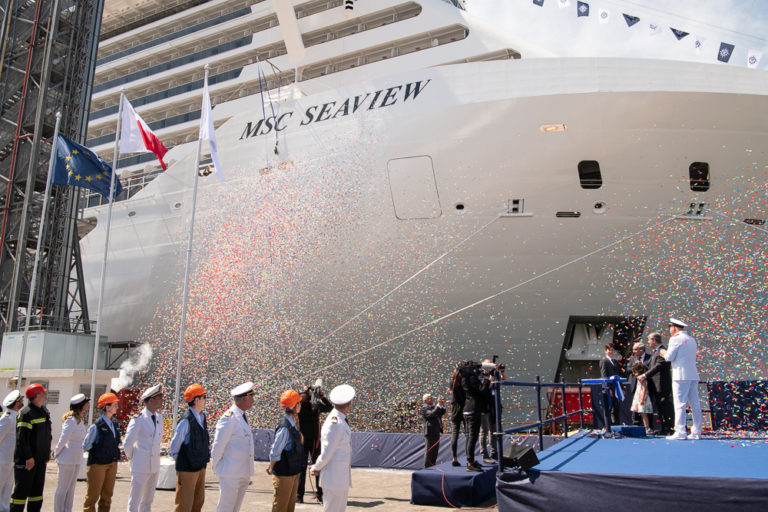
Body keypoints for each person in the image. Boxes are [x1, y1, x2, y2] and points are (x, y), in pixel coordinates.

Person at [211, 381, 255, 512]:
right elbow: (218, 445)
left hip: (242, 472)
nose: (253, 400)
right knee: (226, 508)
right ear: (245, 398)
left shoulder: (242, 416)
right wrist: (216, 466)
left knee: (235, 508)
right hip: (230, 473)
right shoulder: (228, 418)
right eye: (251, 397)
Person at [310, 384, 355, 512]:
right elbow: (327, 451)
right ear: (349, 404)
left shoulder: (339, 420)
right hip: (334, 478)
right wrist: (317, 467)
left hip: (339, 478)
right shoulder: (335, 423)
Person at [10, 383, 51, 512]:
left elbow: (47, 435)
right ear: (37, 396)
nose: (46, 394)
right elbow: (22, 438)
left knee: (36, 495)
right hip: (27, 461)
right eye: (43, 393)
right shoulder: (26, 413)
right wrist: (28, 457)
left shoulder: (44, 412)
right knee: (20, 495)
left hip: (40, 460)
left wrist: (46, 453)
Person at [169, 384, 209, 512]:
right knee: (184, 504)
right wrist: (182, 461)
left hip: (200, 466)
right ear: (196, 400)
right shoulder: (186, 420)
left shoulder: (202, 417)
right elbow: (174, 446)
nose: (205, 400)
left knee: (198, 502)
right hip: (187, 468)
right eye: (204, 397)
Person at [124, 383, 164, 512]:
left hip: (154, 464)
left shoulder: (159, 418)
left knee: (148, 501)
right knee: (135, 500)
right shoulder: (139, 419)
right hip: (141, 464)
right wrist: (134, 458)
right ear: (151, 400)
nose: (161, 400)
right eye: (159, 397)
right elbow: (128, 443)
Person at [663, 318, 703, 440]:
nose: (670, 330)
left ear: (674, 327)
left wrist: (662, 352)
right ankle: (697, 432)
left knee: (679, 403)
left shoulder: (675, 339)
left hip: (680, 375)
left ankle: (680, 431)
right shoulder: (691, 339)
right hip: (692, 374)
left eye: (670, 327)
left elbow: (669, 357)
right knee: (695, 404)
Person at [267, 390, 305, 512]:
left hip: (292, 471)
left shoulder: (292, 424)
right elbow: (276, 450)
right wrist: (271, 466)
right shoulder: (285, 427)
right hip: (284, 473)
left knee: (289, 506)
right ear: (296, 406)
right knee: (281, 506)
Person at [83, 393, 122, 512]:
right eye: (114, 404)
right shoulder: (97, 426)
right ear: (107, 407)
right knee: (93, 496)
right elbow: (86, 445)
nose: (117, 407)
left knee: (107, 496)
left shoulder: (115, 423)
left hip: (112, 463)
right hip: (97, 464)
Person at [52, 394, 89, 512]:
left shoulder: (79, 420)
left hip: (76, 458)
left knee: (71, 489)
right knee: (62, 489)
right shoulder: (71, 420)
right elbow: (63, 439)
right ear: (81, 406)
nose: (88, 405)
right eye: (86, 403)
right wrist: (55, 453)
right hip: (67, 458)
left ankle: (67, 510)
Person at [296, 384, 332, 504]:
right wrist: (305, 393)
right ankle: (299, 495)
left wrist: (321, 397)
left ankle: (320, 493)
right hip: (303, 441)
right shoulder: (299, 406)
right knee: (301, 469)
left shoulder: (314, 405)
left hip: (315, 441)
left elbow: (329, 407)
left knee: (318, 467)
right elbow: (294, 402)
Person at [639, 332, 675, 435]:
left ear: (654, 340)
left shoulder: (662, 351)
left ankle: (669, 428)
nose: (648, 343)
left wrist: (645, 375)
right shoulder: (656, 352)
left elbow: (659, 366)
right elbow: (651, 366)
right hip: (656, 385)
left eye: (649, 340)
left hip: (662, 385)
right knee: (660, 407)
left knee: (665, 407)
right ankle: (664, 428)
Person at [458, 361, 489, 472]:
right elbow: (482, 391)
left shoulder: (464, 379)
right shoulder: (471, 379)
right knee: (472, 437)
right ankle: (470, 462)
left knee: (470, 437)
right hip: (473, 410)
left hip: (468, 409)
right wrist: (486, 378)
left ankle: (470, 460)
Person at [478, 359, 506, 463]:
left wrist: (501, 371)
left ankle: (494, 452)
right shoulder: (480, 376)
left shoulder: (493, 374)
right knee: (484, 430)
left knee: (494, 430)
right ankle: (483, 452)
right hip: (485, 406)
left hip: (495, 405)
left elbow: (504, 379)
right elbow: (486, 386)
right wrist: (490, 375)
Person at [0, 391, 23, 512]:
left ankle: (4, 509)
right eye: (21, 400)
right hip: (3, 459)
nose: (23, 402)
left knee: (8, 486)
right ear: (16, 403)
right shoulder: (7, 418)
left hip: (11, 459)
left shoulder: (17, 416)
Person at [626, 342, 650, 426]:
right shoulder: (633, 358)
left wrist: (642, 366)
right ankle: (635, 424)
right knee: (635, 407)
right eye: (633, 349)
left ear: (642, 349)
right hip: (635, 386)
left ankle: (648, 426)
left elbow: (651, 369)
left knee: (645, 408)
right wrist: (634, 367)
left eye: (635, 349)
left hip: (645, 385)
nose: (634, 351)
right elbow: (627, 370)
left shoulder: (649, 358)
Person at [599, 343, 621, 425]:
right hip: (609, 388)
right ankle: (608, 426)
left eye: (613, 350)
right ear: (606, 351)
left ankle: (616, 424)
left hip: (616, 387)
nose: (611, 352)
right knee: (609, 407)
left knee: (616, 407)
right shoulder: (604, 360)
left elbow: (618, 375)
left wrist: (621, 388)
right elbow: (604, 375)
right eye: (610, 350)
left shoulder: (615, 361)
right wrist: (607, 388)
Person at [420, 394, 445, 468]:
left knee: (435, 450)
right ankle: (427, 467)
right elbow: (431, 414)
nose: (431, 399)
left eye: (431, 398)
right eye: (429, 398)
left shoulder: (433, 407)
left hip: (436, 430)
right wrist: (438, 405)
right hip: (429, 431)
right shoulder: (424, 407)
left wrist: (442, 406)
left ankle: (432, 465)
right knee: (429, 450)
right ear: (425, 400)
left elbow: (440, 413)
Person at [629, 362, 653, 434]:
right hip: (639, 396)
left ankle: (647, 428)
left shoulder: (642, 378)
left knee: (644, 414)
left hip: (642, 396)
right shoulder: (639, 378)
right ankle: (646, 428)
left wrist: (642, 398)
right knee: (642, 414)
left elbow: (644, 389)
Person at [448, 367, 464, 467]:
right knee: (469, 433)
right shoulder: (463, 383)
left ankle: (454, 457)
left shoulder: (452, 383)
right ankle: (470, 458)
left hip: (455, 410)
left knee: (455, 434)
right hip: (464, 408)